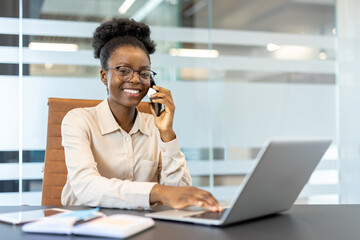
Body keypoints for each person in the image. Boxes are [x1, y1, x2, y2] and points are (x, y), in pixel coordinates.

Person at [61, 18, 222, 212]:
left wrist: (167, 134)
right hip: (84, 226)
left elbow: (179, 193)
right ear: (104, 76)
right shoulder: (78, 121)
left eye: (144, 73)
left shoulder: (155, 126)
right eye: (123, 70)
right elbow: (86, 187)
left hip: (142, 226)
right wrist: (158, 192)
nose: (135, 79)